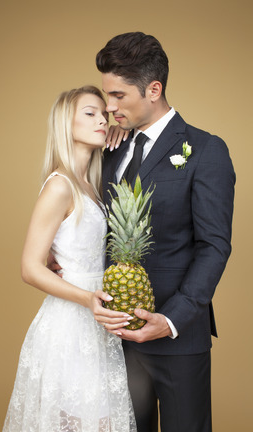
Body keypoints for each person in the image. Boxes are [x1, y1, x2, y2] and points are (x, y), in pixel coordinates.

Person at [94, 32, 235, 432]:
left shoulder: (206, 150)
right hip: (112, 336)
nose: (110, 106)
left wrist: (171, 320)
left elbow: (214, 246)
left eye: (119, 95)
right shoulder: (109, 147)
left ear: (153, 89)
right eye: (107, 95)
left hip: (178, 337)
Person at [2, 86, 137, 432]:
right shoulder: (60, 185)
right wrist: (87, 298)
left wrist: (123, 127)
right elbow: (30, 268)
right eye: (90, 114)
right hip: (70, 323)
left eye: (103, 116)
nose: (101, 121)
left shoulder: (91, 183)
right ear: (66, 124)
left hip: (98, 320)